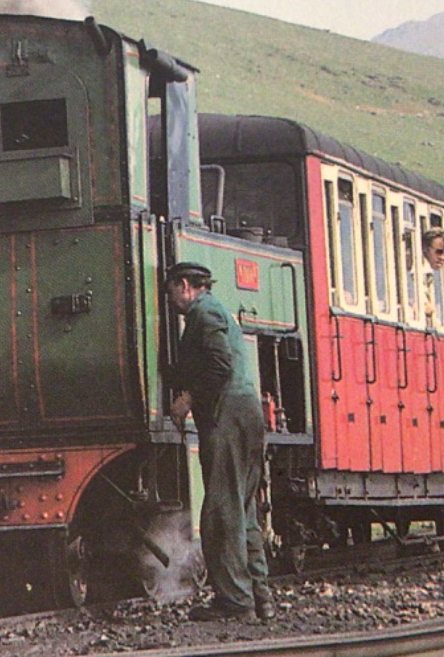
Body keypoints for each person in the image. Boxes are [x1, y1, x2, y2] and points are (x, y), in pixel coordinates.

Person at [165, 262, 273, 622]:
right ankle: (260, 598)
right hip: (246, 412)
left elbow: (218, 365)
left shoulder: (204, 313)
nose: (171, 302)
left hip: (227, 414)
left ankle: (234, 602)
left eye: (170, 293)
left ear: (184, 286)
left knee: (222, 512)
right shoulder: (219, 310)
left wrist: (188, 398)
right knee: (244, 511)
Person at [421, 227, 444, 325]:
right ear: (426, 249)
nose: (442, 258)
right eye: (438, 252)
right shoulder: (419, 270)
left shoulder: (438, 275)